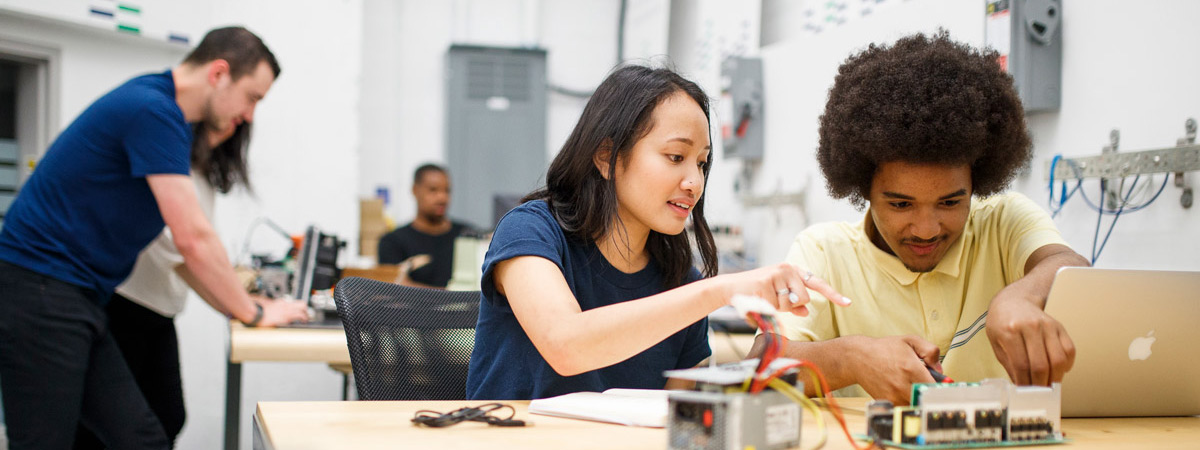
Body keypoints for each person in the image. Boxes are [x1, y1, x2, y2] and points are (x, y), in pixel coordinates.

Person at [0, 27, 309, 449]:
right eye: (252, 97)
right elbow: (192, 239)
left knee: (143, 437)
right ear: (219, 73)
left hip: (81, 296)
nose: (250, 114)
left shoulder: (166, 117)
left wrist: (245, 305)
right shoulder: (152, 110)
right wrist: (253, 312)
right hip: (40, 289)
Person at [465, 65, 850, 400]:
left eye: (701, 163)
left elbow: (682, 416)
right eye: (675, 157)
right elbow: (565, 344)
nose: (694, 182)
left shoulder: (679, 279)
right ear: (606, 157)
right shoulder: (531, 230)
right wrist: (721, 290)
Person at [751, 31, 1089, 405]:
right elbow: (758, 365)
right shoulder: (825, 252)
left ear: (977, 182)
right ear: (863, 187)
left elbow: (1068, 264)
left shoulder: (1004, 223)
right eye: (900, 205)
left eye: (949, 203)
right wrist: (850, 358)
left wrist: (1019, 297)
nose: (926, 229)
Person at [71, 122, 252, 449]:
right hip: (125, 305)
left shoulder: (201, 173)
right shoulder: (168, 163)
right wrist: (248, 309)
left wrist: (240, 295)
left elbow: (201, 247)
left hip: (157, 311)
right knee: (116, 428)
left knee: (167, 417)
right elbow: (186, 251)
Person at [377, 164, 472, 288]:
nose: (442, 197)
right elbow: (394, 291)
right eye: (433, 190)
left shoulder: (468, 236)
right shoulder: (392, 242)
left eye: (447, 190)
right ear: (415, 190)